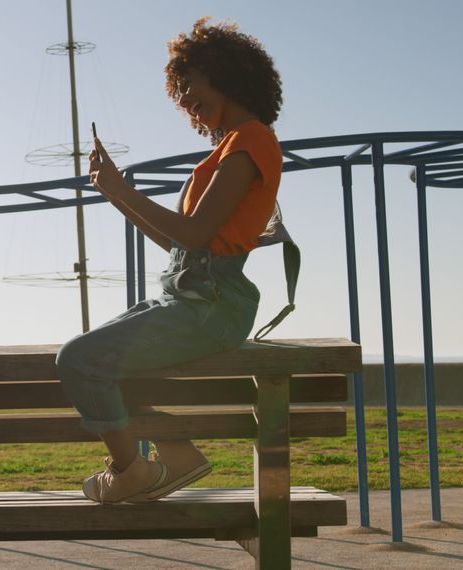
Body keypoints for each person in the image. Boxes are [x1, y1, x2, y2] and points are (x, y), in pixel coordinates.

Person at [56, 17, 285, 503]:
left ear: (221, 71)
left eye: (188, 84)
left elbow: (196, 233)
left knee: (78, 359)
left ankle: (132, 471)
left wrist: (123, 190)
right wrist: (115, 195)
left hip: (210, 304)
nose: (184, 100)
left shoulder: (251, 140)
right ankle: (177, 454)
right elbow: (181, 246)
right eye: (177, 92)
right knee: (102, 361)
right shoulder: (229, 147)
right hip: (189, 295)